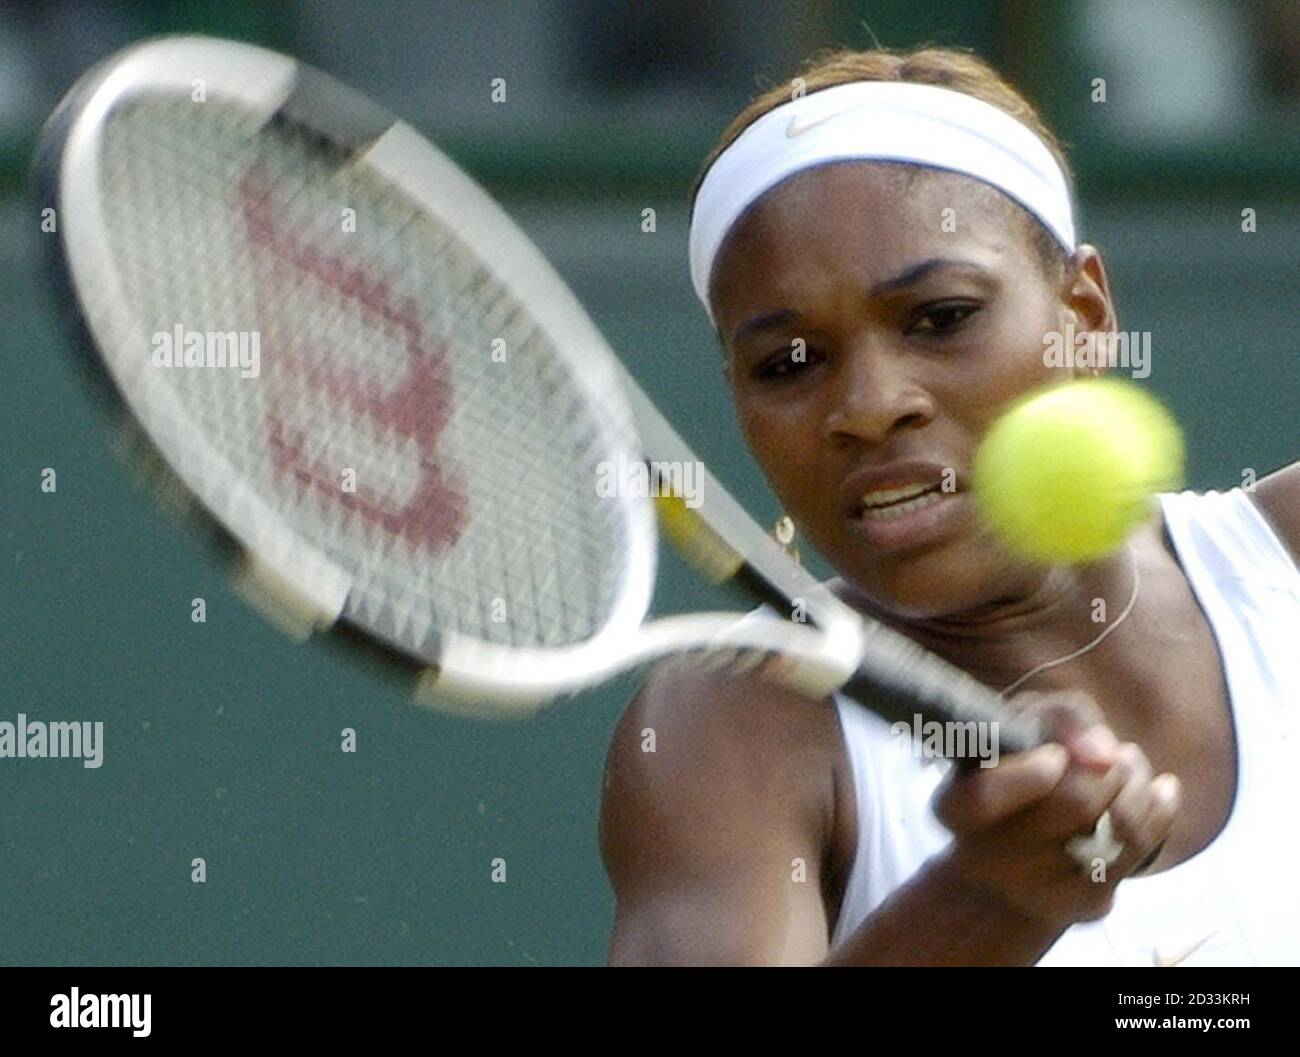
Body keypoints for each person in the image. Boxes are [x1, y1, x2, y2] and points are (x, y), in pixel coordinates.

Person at [598, 46, 1300, 966]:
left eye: (941, 316)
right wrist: (985, 902)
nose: (870, 405)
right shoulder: (727, 731)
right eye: (790, 364)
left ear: (1083, 318)